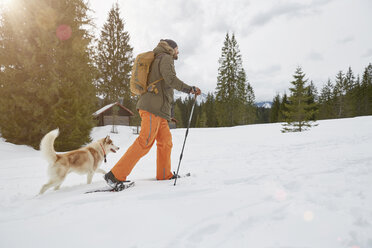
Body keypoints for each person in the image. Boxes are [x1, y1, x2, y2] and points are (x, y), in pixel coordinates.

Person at [104, 39, 201, 188]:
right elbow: (170, 80)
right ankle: (115, 175)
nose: (178, 52)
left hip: (159, 110)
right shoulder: (166, 58)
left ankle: (164, 174)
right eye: (177, 49)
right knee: (145, 142)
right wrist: (189, 89)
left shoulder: (158, 58)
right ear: (171, 48)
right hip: (152, 108)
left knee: (165, 141)